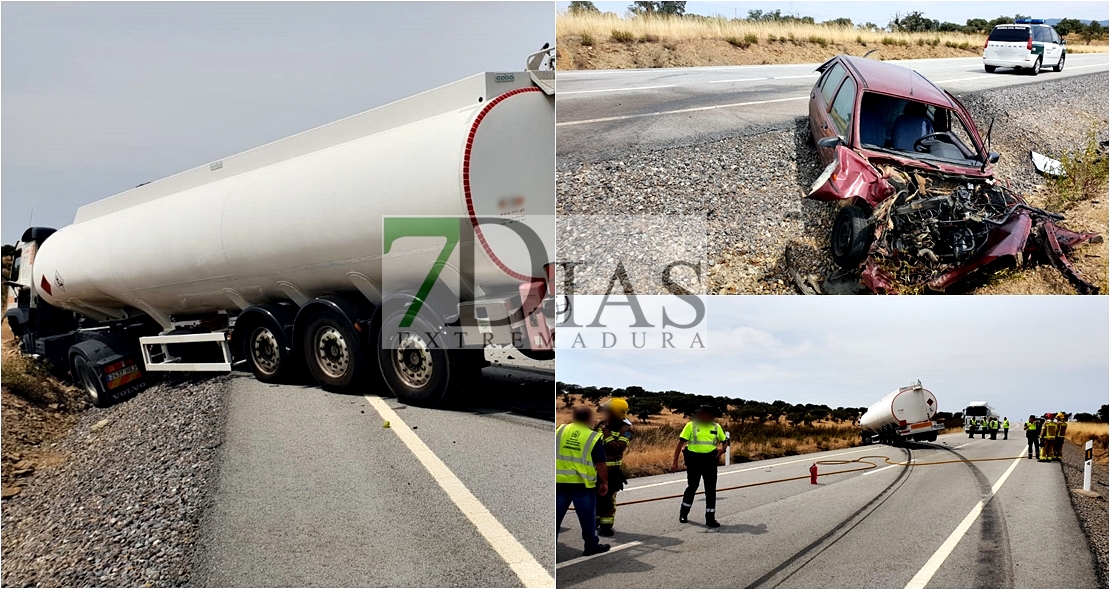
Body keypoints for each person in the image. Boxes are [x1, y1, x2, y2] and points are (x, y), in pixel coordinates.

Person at [556, 406, 610, 556]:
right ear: (588, 419)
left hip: (559, 482)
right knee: (587, 518)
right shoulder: (592, 436)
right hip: (582, 484)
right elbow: (600, 463)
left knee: (555, 517)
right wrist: (604, 482)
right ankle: (591, 546)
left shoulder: (560, 430)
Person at [672, 405, 727, 528]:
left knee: (710, 490)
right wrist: (675, 461)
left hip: (710, 461)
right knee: (692, 487)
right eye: (701, 414)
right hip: (694, 461)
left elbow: (724, 441)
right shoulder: (691, 425)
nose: (703, 416)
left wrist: (722, 450)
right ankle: (683, 513)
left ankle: (710, 518)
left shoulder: (716, 427)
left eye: (705, 414)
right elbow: (680, 443)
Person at [594, 398, 633, 537]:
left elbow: (618, 449)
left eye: (609, 411)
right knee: (596, 498)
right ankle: (595, 522)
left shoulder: (626, 429)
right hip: (595, 469)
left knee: (608, 500)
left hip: (612, 471)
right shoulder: (601, 424)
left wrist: (606, 433)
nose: (606, 414)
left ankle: (606, 526)